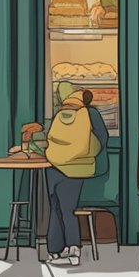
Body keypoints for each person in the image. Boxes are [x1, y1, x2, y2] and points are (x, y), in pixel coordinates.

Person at [44, 89, 107, 267]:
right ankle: (73, 249)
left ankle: (54, 250)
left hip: (54, 166)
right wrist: (89, 152)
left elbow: (50, 139)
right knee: (68, 210)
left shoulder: (59, 115)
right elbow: (102, 138)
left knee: (55, 209)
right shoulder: (89, 114)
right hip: (77, 169)